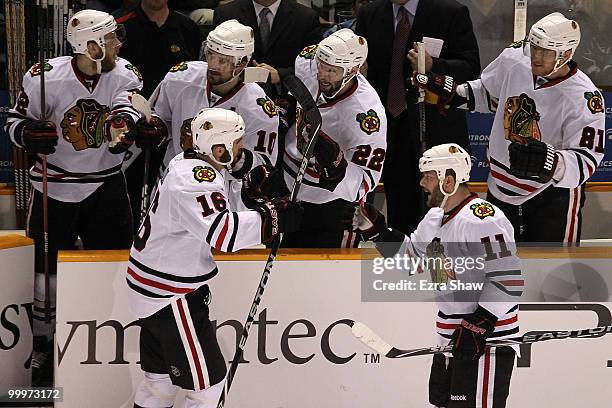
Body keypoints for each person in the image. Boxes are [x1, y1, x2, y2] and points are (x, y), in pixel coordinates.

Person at [4, 9, 166, 382]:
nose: (117, 44)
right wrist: (28, 134)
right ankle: (44, 343)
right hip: (54, 186)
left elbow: (130, 108)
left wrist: (138, 128)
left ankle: (112, 335)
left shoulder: (125, 72)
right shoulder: (45, 78)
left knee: (115, 265)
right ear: (89, 46)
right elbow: (13, 121)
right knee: (46, 276)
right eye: (109, 39)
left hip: (106, 186)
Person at [126, 108, 302, 408]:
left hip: (154, 288)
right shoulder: (196, 178)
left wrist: (249, 195)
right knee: (209, 387)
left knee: (160, 384)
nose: (240, 148)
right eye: (236, 142)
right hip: (171, 295)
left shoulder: (186, 163)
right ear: (217, 147)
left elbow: (212, 212)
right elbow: (223, 234)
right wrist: (270, 220)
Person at [350, 143, 522, 408]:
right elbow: (412, 260)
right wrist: (378, 232)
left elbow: (508, 276)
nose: (421, 182)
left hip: (486, 343)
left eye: (428, 176)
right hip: (450, 338)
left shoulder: (483, 219)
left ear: (449, 180)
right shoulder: (435, 218)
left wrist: (481, 322)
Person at [413, 12, 606, 242]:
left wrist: (550, 162)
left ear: (565, 54)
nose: (536, 56)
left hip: (550, 195)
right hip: (499, 186)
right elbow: (489, 93)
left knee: (552, 268)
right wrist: (455, 93)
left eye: (546, 51)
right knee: (498, 266)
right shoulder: (515, 59)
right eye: (534, 47)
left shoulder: (584, 98)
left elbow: (587, 160)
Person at [355, 0, 480, 236]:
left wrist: (435, 66)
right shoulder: (370, 13)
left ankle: (444, 270)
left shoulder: (450, 11)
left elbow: (471, 68)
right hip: (390, 127)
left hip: (436, 130)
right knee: (400, 209)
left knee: (442, 214)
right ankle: (407, 267)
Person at [282, 29, 387, 248]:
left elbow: (366, 181)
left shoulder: (366, 117)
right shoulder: (308, 60)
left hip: (330, 207)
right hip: (287, 189)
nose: (322, 74)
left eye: (332, 71)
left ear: (353, 70)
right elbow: (299, 93)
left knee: (328, 277)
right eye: (322, 65)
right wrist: (288, 108)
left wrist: (337, 169)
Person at [151, 19, 280, 191]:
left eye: (223, 61)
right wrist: (155, 129)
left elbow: (263, 165)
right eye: (210, 55)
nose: (213, 65)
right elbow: (162, 118)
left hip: (221, 191)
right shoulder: (181, 77)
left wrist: (234, 156)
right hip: (173, 180)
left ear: (241, 64)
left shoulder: (258, 106)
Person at [114, 0, 202, 228]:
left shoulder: (187, 28)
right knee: (129, 188)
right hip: (130, 123)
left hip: (173, 125)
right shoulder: (120, 24)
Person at [213, 0, 321, 98]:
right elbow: (213, 61)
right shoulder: (225, 14)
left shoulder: (306, 17)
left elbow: (314, 67)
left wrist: (280, 75)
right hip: (235, 94)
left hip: (288, 98)